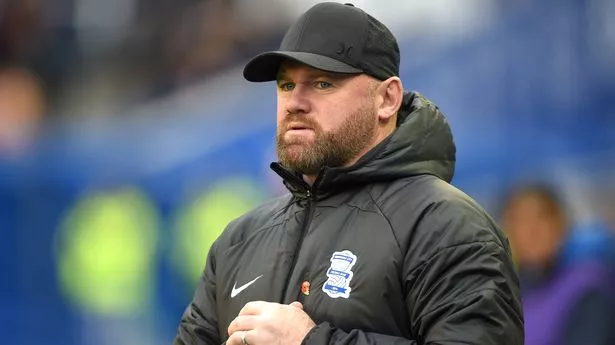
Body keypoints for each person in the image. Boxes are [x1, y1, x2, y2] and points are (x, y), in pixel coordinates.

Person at [174, 3, 523, 344]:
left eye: (323, 83)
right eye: (286, 85)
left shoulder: (447, 226)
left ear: (387, 99)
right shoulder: (238, 240)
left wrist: (310, 341)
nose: (295, 101)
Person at [501, 183, 615, 345]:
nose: (532, 230)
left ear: (561, 223)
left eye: (542, 217)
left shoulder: (588, 286)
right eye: (520, 221)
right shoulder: (505, 296)